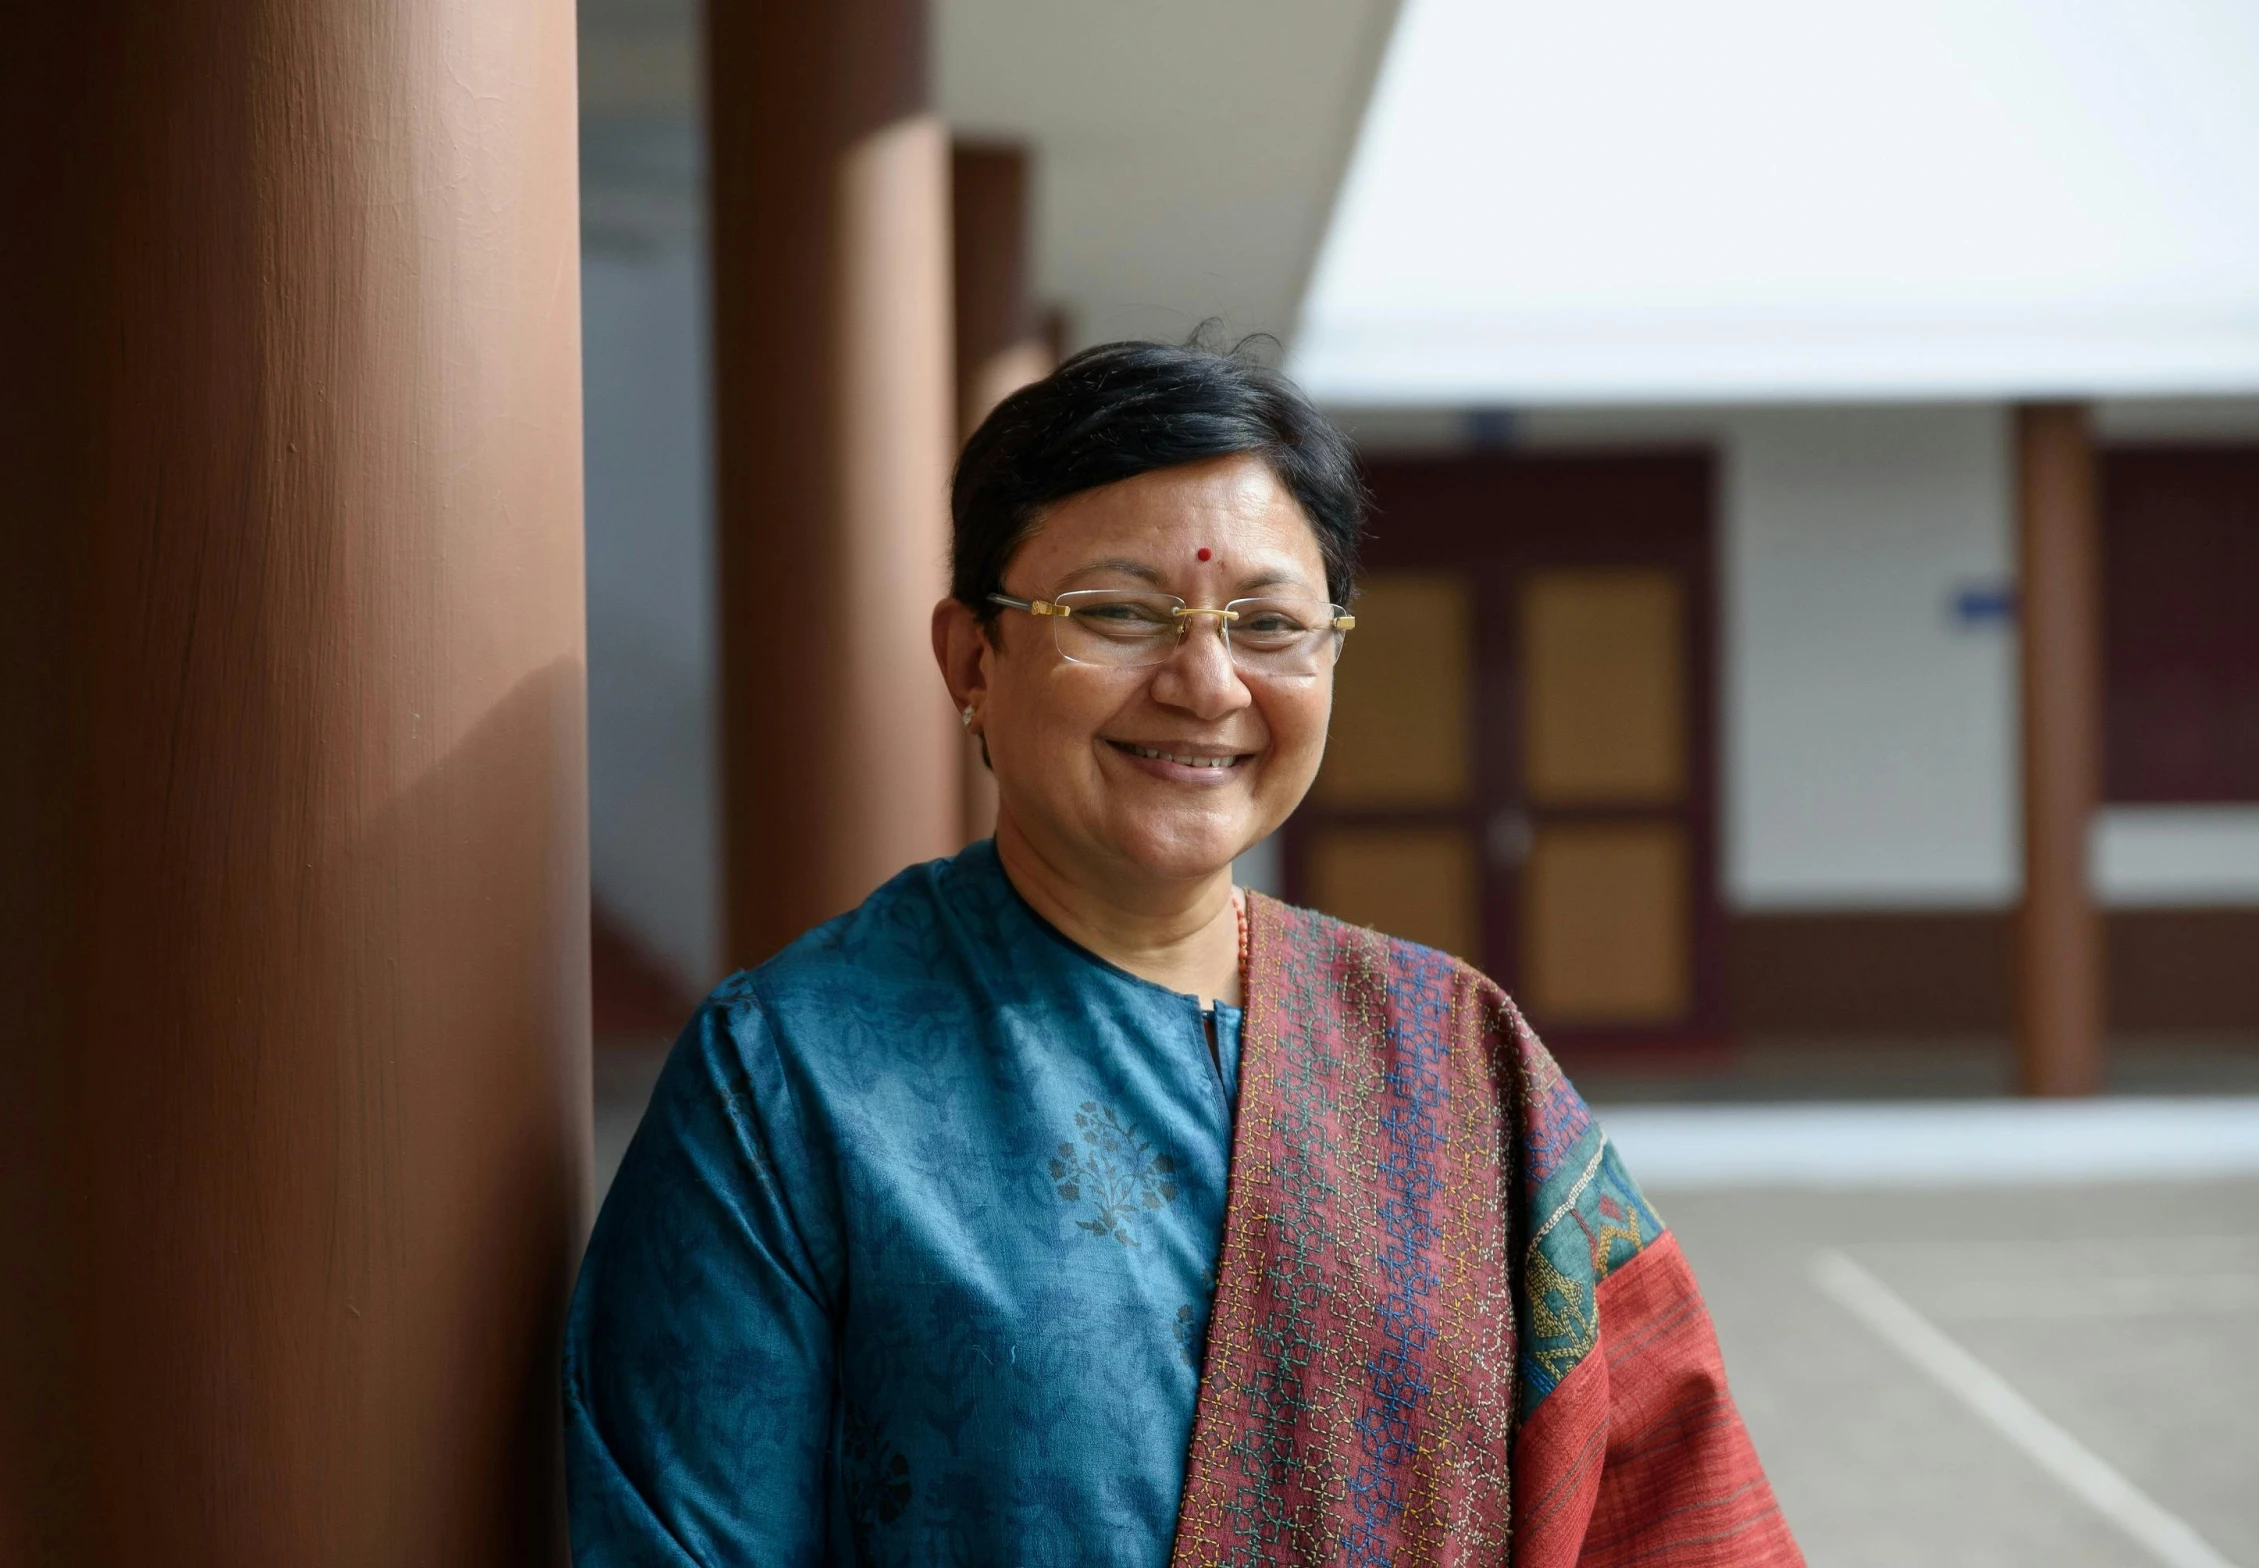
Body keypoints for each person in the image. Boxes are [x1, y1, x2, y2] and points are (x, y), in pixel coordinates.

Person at [563, 340, 1802, 1567]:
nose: (1207, 682)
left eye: (1269, 622)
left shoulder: (1452, 1048)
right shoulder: (794, 1076)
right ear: (971, 658)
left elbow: (1669, 1495)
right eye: (1116, 612)